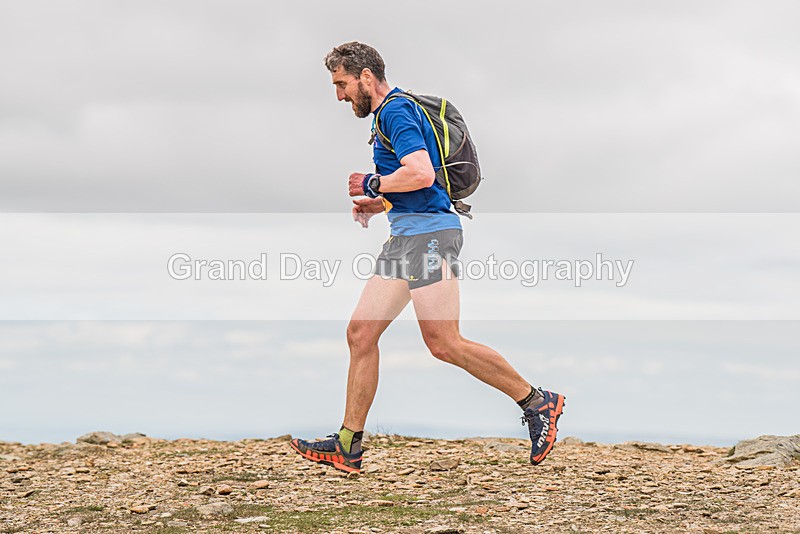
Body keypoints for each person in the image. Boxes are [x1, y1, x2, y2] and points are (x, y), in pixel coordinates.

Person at [290, 41, 565, 474]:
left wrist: (372, 183)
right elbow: (422, 183)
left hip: (430, 237)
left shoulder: (396, 111)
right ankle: (347, 444)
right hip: (406, 236)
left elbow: (419, 172)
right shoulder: (392, 113)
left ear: (366, 77)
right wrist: (380, 204)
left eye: (342, 84)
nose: (339, 95)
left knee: (444, 342)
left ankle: (537, 402)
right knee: (361, 333)